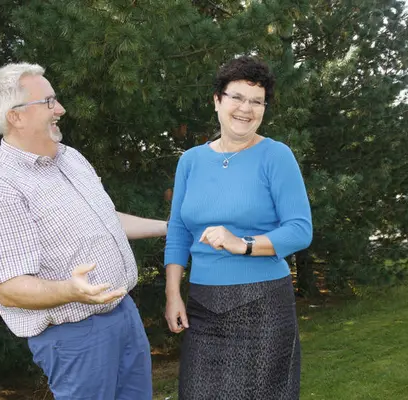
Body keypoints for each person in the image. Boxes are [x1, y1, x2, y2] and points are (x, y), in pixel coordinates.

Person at [0, 62, 167, 400]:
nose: (61, 109)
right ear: (16, 116)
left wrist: (169, 228)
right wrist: (71, 290)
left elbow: (106, 219)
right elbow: (9, 288)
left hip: (124, 315)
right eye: (49, 102)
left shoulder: (71, 158)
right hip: (75, 337)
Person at [164, 56, 313, 399]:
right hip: (202, 306)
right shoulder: (190, 161)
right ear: (217, 100)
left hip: (262, 306)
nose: (246, 109)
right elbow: (179, 231)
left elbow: (300, 229)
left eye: (257, 101)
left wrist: (242, 243)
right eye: (237, 97)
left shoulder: (276, 156)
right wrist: (173, 294)